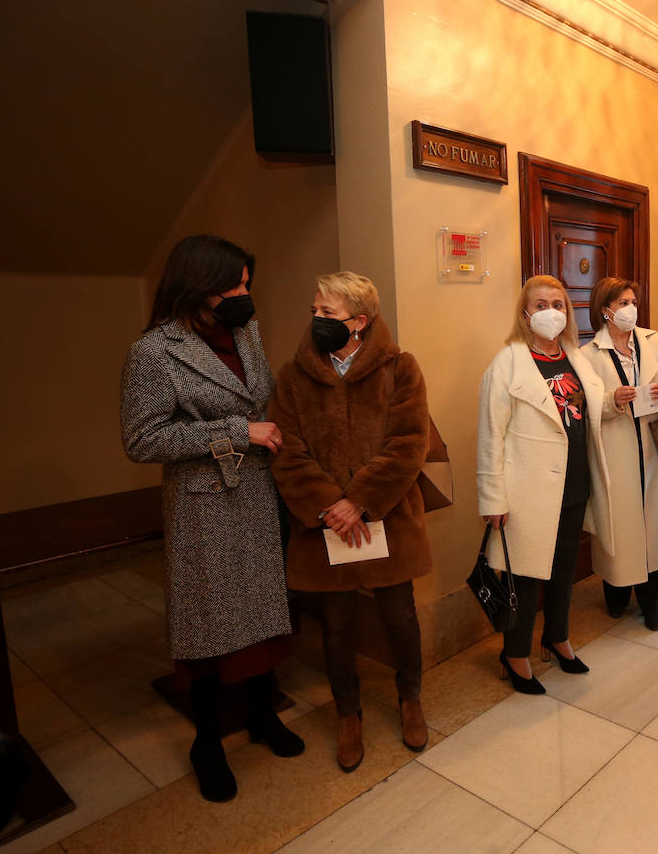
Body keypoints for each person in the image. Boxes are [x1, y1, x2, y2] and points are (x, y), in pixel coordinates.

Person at [120, 235, 303, 803]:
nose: (246, 294)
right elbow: (141, 439)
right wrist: (234, 432)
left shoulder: (246, 331)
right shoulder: (152, 352)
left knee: (265, 611)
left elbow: (261, 399)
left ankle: (261, 714)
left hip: (258, 491)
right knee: (209, 624)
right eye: (238, 284)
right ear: (201, 286)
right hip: (203, 504)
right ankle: (206, 742)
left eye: (249, 283)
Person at [268, 272, 433, 772]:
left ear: (359, 322)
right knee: (336, 624)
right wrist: (329, 506)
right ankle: (348, 714)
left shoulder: (399, 368)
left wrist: (359, 501)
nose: (317, 320)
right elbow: (287, 450)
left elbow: (410, 443)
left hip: (386, 517)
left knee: (398, 613)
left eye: (329, 314)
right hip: (324, 526)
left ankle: (410, 698)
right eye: (315, 311)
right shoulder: (293, 378)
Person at [477, 275, 613, 694]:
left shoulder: (574, 355)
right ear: (525, 313)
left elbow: (583, 409)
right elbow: (490, 435)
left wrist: (616, 402)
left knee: (564, 569)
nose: (551, 311)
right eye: (540, 305)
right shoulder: (508, 362)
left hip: (574, 485)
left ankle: (557, 638)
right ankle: (515, 653)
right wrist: (493, 499)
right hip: (526, 493)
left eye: (558, 303)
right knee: (524, 576)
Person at [580, 277, 658, 631]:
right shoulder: (587, 355)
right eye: (622, 303)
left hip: (654, 450)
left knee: (653, 529)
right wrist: (611, 401)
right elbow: (583, 405)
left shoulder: (653, 340)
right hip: (614, 455)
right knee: (619, 528)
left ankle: (650, 603)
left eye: (633, 301)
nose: (630, 308)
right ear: (605, 310)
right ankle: (615, 595)